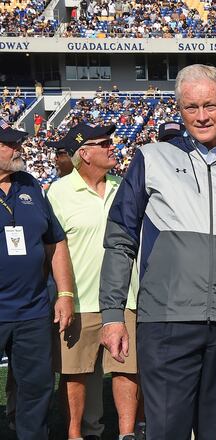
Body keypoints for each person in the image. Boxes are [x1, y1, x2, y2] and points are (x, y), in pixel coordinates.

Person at [99, 64, 216, 440]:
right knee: (167, 430)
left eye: (210, 105)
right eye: (191, 107)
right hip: (166, 321)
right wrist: (112, 315)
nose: (201, 116)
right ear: (179, 109)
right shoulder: (151, 159)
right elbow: (120, 240)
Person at [47, 123, 141, 440]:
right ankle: (77, 434)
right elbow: (52, 248)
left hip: (126, 295)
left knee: (127, 368)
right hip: (80, 297)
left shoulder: (123, 186)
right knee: (76, 373)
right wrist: (62, 294)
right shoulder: (58, 193)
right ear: (84, 154)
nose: (112, 146)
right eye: (104, 143)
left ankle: (126, 434)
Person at [0, 121, 74, 439]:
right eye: (10, 144)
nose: (19, 149)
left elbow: (55, 241)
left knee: (37, 387)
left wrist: (65, 293)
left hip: (32, 309)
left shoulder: (30, 184)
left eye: (19, 143)